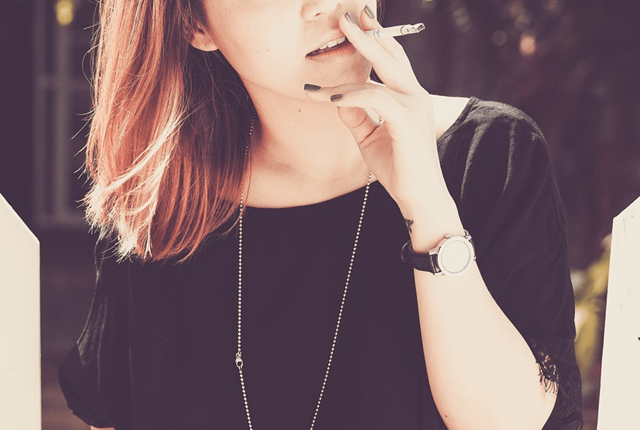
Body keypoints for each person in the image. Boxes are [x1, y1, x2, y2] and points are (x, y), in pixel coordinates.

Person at [58, 0, 583, 429]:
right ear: (195, 24)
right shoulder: (160, 207)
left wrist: (427, 201)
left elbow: (510, 422)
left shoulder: (492, 153)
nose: (324, 6)